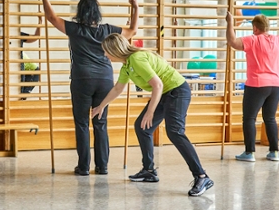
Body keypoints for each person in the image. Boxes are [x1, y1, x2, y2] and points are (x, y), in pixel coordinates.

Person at [91, 33, 214, 196]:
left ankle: (201, 176)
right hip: (165, 93)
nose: (105, 55)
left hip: (177, 90)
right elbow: (117, 89)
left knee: (175, 131)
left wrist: (150, 112)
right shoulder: (127, 66)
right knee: (142, 127)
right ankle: (148, 170)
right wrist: (101, 106)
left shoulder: (137, 59)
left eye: (106, 52)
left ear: (114, 50)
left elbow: (158, 85)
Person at [40, 0, 138, 176]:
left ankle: (83, 167)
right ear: (97, 13)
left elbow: (51, 17)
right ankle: (102, 167)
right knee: (100, 123)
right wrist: (135, 8)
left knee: (82, 123)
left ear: (80, 12)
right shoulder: (108, 29)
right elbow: (132, 31)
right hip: (104, 80)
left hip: (82, 79)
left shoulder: (75, 29)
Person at [226, 11, 279, 162]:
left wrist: (230, 22)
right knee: (270, 118)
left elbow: (232, 41)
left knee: (249, 118)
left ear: (255, 28)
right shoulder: (277, 40)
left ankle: (250, 153)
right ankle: (274, 152)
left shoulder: (252, 40)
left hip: (257, 84)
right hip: (276, 85)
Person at [0, 1, 41, 97]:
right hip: (19, 67)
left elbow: (36, 37)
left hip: (29, 70)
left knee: (20, 94)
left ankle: (22, 98)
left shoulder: (18, 35)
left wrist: (40, 22)